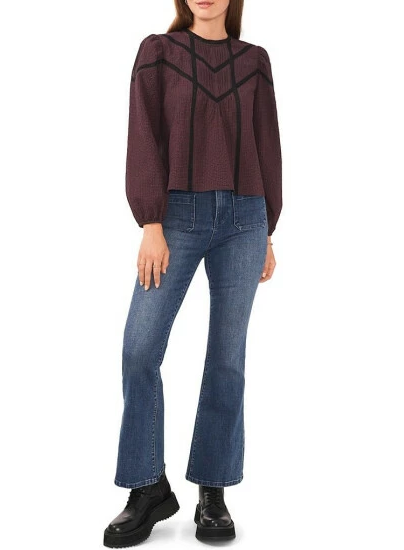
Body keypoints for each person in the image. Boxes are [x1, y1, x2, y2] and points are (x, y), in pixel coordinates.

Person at [103, 0, 282, 546]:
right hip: (175, 216)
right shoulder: (157, 53)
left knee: (227, 358)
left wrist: (268, 229)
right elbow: (143, 136)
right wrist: (151, 221)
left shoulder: (255, 60)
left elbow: (267, 144)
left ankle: (213, 489)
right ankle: (147, 486)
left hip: (245, 219)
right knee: (139, 348)